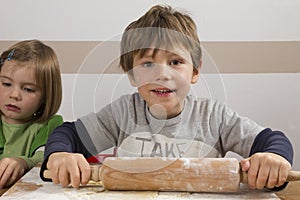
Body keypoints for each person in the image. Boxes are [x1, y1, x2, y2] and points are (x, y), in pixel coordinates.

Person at [40, 5, 293, 191]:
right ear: (131, 75)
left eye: (175, 62)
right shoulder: (122, 113)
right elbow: (69, 134)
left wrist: (273, 159)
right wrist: (60, 155)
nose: (162, 74)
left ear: (194, 71)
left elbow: (271, 140)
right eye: (148, 63)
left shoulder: (214, 117)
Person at [0, 40, 63, 188]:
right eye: (6, 84)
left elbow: (46, 157)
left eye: (28, 89)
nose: (14, 95)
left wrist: (22, 163)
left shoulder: (50, 124)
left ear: (46, 96)